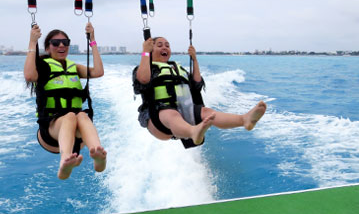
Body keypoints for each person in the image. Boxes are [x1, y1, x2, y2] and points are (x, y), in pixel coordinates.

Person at [133, 37, 267, 146]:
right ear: (151, 49)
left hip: (183, 114)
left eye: (167, 45)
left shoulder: (177, 68)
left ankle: (244, 120)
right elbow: (143, 80)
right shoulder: (146, 68)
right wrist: (145, 52)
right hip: (156, 119)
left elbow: (196, 85)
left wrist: (194, 59)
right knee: (171, 114)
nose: (165, 47)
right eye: (160, 45)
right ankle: (194, 131)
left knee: (206, 112)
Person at [24, 23, 107, 180]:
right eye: (56, 43)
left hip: (77, 132)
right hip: (50, 131)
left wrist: (93, 41)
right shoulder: (42, 67)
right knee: (70, 116)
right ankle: (65, 161)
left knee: (82, 116)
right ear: (48, 48)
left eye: (65, 42)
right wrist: (32, 42)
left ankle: (97, 154)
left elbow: (98, 72)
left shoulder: (74, 67)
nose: (61, 45)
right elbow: (29, 76)